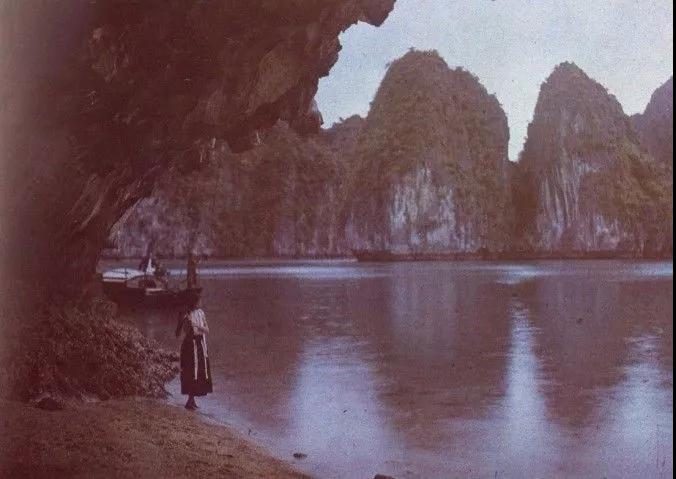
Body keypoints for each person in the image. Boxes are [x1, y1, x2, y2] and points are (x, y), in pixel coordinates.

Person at [175, 299, 212, 410]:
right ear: (194, 303)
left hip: (199, 344)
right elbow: (179, 333)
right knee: (191, 372)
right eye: (199, 301)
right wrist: (183, 320)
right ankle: (190, 401)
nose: (201, 303)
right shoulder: (186, 315)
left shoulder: (200, 313)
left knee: (199, 371)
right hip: (190, 346)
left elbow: (207, 330)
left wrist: (197, 326)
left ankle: (192, 400)